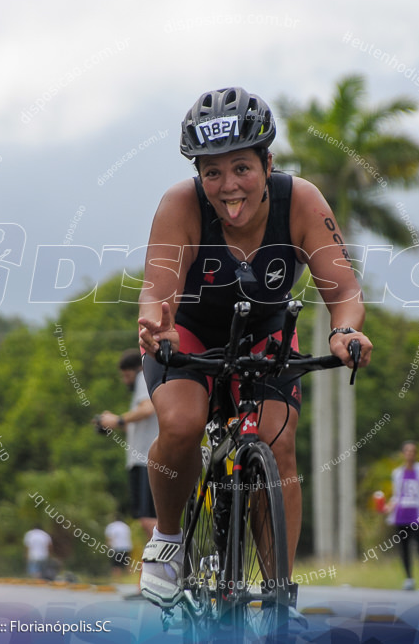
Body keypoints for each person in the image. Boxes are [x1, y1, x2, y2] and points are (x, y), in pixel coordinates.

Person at [136, 87, 373, 610]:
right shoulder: (181, 204)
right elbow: (158, 291)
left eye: (241, 168)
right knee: (181, 424)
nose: (227, 186)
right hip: (191, 332)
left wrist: (345, 331)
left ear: (268, 163)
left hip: (266, 331)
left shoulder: (301, 200)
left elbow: (344, 291)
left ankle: (279, 596)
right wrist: (155, 323)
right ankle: (170, 540)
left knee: (277, 442)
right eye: (212, 172)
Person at [98, 349, 159, 540]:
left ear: (137, 369)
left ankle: (164, 564)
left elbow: (147, 409)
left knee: (150, 519)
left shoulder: (143, 377)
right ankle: (161, 564)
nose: (125, 381)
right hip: (143, 458)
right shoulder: (144, 382)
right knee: (147, 518)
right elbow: (140, 421)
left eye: (126, 375)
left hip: (146, 459)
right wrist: (111, 422)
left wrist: (118, 420)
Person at [385, 441, 419, 591]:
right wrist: (387, 507)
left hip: (418, 516)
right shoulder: (397, 473)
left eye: (413, 451)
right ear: (403, 454)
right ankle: (409, 579)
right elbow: (397, 496)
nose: (410, 454)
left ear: (417, 454)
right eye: (407, 451)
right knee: (404, 548)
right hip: (402, 516)